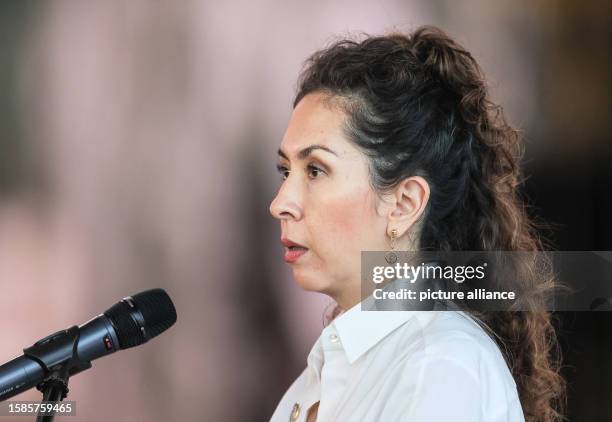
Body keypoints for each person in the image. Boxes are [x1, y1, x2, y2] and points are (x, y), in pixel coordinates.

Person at [269, 25, 565, 422]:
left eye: (316, 170)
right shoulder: (316, 379)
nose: (280, 203)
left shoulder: (440, 366)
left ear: (405, 203)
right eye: (285, 170)